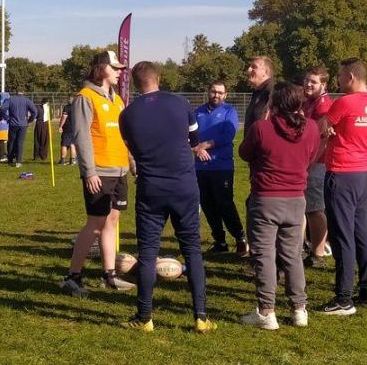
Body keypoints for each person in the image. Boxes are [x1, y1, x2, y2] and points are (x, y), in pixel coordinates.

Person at [119, 61, 216, 333]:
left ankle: (145, 317)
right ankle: (201, 317)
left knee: (148, 254)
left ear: (137, 85)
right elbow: (194, 139)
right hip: (184, 185)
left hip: (151, 189)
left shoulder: (127, 115)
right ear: (158, 79)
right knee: (192, 250)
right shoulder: (181, 103)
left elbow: (133, 148)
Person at [239, 82, 319, 329]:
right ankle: (299, 309)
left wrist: (263, 122)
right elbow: (312, 156)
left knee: (264, 255)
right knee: (292, 255)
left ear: (274, 104)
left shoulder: (262, 128)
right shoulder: (312, 127)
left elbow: (244, 152)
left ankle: (266, 311)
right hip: (296, 198)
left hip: (266, 198)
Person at [61, 51, 135, 298]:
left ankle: (109, 275)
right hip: (99, 172)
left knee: (112, 222)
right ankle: (72, 277)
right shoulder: (85, 97)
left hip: (119, 170)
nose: (119, 72)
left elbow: (122, 136)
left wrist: (131, 161)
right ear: (102, 69)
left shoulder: (117, 100)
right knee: (95, 224)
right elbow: (81, 137)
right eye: (115, 67)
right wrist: (89, 172)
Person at [320, 58, 367, 315]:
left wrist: (328, 128)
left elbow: (322, 127)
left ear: (351, 77)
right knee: (362, 232)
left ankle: (343, 298)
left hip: (342, 173)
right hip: (362, 173)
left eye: (340, 75)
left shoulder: (344, 102)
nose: (338, 80)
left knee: (342, 235)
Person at [193, 81, 248, 256]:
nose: (216, 95)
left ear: (225, 95)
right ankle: (220, 241)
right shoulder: (197, 112)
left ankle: (240, 238)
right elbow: (189, 136)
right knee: (208, 205)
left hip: (221, 166)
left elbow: (228, 135)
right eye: (213, 91)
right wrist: (196, 148)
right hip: (200, 168)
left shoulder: (229, 111)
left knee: (225, 203)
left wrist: (205, 145)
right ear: (208, 92)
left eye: (220, 92)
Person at [302, 66, 333, 268]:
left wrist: (310, 162)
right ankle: (310, 247)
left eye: (313, 81)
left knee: (315, 209)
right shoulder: (309, 102)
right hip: (308, 160)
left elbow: (323, 139)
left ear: (323, 85)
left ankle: (319, 252)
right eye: (306, 80)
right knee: (307, 208)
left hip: (318, 163)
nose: (308, 84)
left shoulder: (323, 105)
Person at [244, 56, 274, 135]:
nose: (249, 70)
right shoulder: (257, 92)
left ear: (266, 71)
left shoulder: (272, 92)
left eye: (254, 67)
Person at [7, 89, 37, 167]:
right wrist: (30, 120)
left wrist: (7, 118)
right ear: (23, 92)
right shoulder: (27, 100)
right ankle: (18, 161)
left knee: (11, 141)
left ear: (16, 92)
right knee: (20, 142)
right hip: (23, 124)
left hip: (12, 124)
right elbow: (34, 111)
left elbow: (2, 109)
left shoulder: (10, 100)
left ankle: (10, 159)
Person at [58, 96, 77, 165]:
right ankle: (73, 160)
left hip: (67, 128)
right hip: (75, 127)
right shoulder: (77, 107)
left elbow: (64, 117)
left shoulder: (67, 107)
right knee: (73, 144)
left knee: (64, 144)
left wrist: (60, 126)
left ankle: (62, 160)